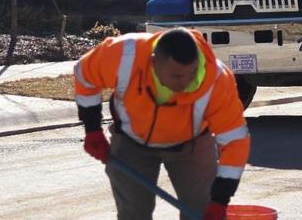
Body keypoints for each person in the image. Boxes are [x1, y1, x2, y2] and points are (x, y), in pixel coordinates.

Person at [74, 27, 250, 220]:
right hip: (131, 142)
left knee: (201, 210)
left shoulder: (217, 81)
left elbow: (235, 141)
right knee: (134, 214)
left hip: (192, 145)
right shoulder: (124, 55)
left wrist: (219, 201)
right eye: (176, 75)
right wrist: (93, 130)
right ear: (153, 62)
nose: (185, 82)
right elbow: (85, 75)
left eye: (191, 74)